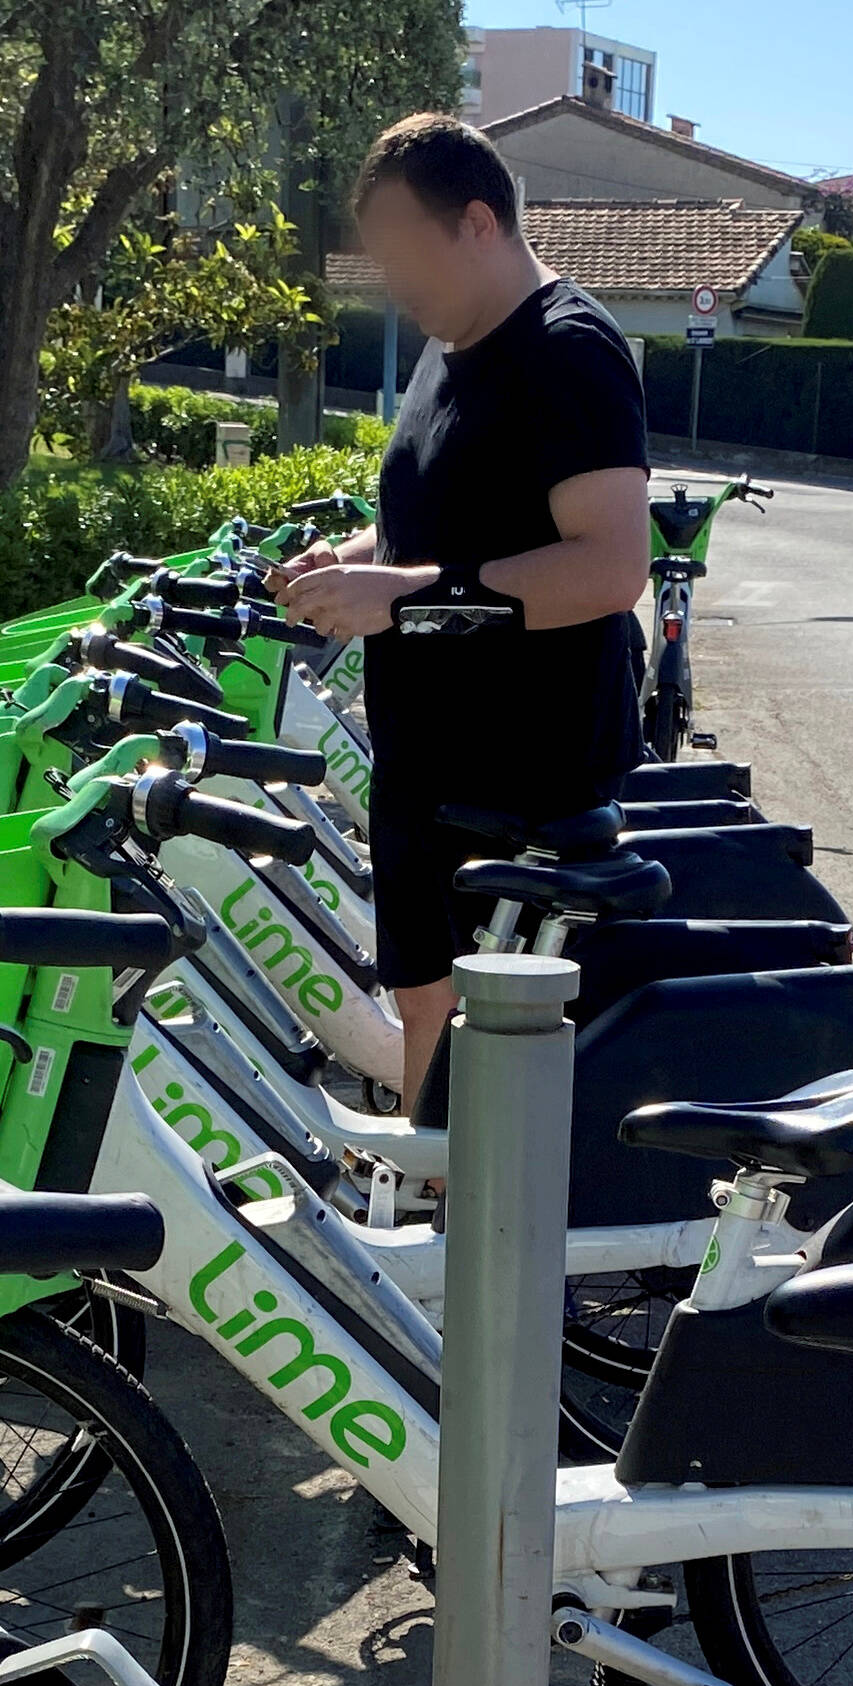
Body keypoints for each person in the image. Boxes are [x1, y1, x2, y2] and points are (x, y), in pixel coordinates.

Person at [275, 114, 653, 1097]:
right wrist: (347, 563)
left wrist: (399, 595)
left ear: (479, 223)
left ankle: (450, 1191)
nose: (394, 286)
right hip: (430, 773)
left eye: (407, 257)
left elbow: (612, 565)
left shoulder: (568, 353)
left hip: (518, 779)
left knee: (469, 1055)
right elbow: (441, 532)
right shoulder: (451, 348)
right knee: (425, 1016)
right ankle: (433, 1181)